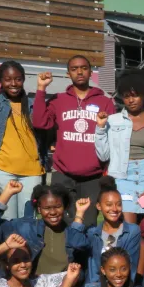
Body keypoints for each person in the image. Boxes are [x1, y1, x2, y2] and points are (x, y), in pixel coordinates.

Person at [95, 70, 144, 275]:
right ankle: (122, 274)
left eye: (135, 94)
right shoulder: (113, 120)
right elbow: (103, 156)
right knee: (128, 230)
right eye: (126, 95)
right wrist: (100, 129)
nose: (131, 99)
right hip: (123, 178)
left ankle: (139, 278)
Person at [31, 56, 114, 226]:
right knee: (61, 222)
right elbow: (40, 122)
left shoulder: (104, 102)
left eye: (84, 67)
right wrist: (41, 89)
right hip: (63, 174)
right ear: (68, 74)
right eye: (74, 69)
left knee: (88, 223)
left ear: (91, 71)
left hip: (93, 177)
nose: (80, 72)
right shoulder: (59, 100)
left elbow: (111, 138)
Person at [0, 60, 45, 219]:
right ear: (0, 81)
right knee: (6, 219)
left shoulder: (32, 104)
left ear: (23, 80)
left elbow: (43, 124)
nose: (13, 83)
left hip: (31, 171)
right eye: (8, 79)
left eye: (18, 79)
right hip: (2, 169)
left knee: (28, 220)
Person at [0, 182, 83, 277]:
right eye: (47, 208)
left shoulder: (73, 232)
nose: (52, 212)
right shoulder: (27, 228)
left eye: (57, 206)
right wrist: (7, 193)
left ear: (64, 207)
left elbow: (83, 267)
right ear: (39, 209)